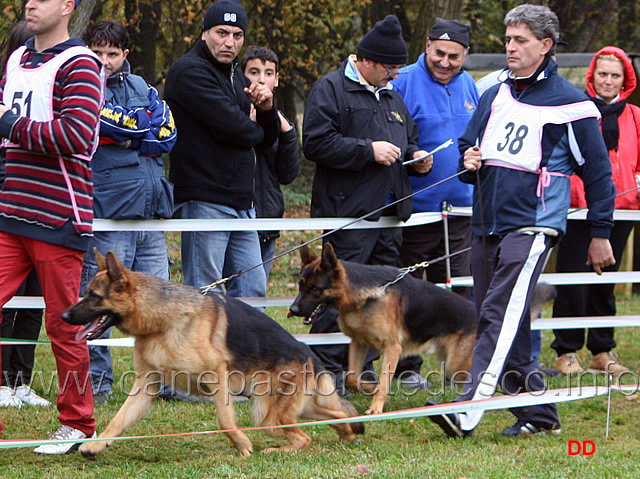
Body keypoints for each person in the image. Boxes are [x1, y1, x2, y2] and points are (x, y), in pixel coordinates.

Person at [427, 4, 616, 439]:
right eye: (508, 40)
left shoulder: (573, 103)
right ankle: (540, 414)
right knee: (506, 319)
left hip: (533, 224)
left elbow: (599, 173)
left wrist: (601, 232)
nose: (510, 48)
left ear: (545, 46)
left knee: (497, 312)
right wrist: (469, 158)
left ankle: (468, 409)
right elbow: (469, 146)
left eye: (520, 41)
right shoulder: (494, 94)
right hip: (485, 223)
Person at [302, 15, 433, 394]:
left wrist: (416, 156)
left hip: (391, 216)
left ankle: (363, 370)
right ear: (368, 60)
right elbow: (315, 143)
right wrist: (367, 151)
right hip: (350, 215)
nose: (395, 76)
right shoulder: (330, 88)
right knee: (336, 293)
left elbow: (408, 137)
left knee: (379, 300)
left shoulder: (392, 97)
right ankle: (322, 371)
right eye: (390, 68)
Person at [0, 0, 104, 454]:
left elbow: (76, 135)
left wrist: (10, 124)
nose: (30, 3)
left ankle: (79, 424)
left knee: (65, 325)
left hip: (59, 215)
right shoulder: (17, 58)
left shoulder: (81, 63)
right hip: (11, 209)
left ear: (68, 7)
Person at [82, 19, 176, 404]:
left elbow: (166, 133)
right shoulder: (82, 83)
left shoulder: (143, 87)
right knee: (100, 303)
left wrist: (131, 133)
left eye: (112, 54)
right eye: (98, 53)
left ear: (125, 55)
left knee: (160, 302)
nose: (104, 61)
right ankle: (97, 384)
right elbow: (116, 125)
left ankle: (166, 381)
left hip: (151, 211)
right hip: (110, 211)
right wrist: (133, 129)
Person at [165, 0, 279, 301]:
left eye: (238, 35)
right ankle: (201, 351)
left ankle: (245, 351)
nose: (230, 42)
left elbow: (265, 139)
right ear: (205, 33)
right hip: (204, 199)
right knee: (205, 298)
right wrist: (249, 125)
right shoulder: (188, 72)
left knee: (253, 292)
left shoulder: (238, 78)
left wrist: (266, 109)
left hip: (243, 203)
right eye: (221, 32)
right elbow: (237, 129)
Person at [551, 46, 640, 376]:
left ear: (625, 80)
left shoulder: (636, 117)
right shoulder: (577, 111)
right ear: (592, 76)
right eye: (603, 74)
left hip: (622, 209)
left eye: (615, 75)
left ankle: (602, 350)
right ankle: (567, 350)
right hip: (579, 208)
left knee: (606, 281)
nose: (608, 80)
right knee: (573, 277)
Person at [392, 18, 477, 297]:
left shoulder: (469, 84)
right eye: (439, 53)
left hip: (460, 214)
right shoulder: (401, 81)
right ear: (427, 45)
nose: (445, 62)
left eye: (454, 56)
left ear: (466, 53)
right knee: (408, 297)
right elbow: (389, 137)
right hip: (415, 214)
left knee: (458, 299)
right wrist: (412, 156)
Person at [0, 20, 50, 409]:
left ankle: (21, 381)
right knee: (7, 300)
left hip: (42, 209)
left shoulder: (50, 98)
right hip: (7, 208)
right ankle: (3, 381)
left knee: (35, 300)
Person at [239, 46, 299, 280]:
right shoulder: (232, 115)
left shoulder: (280, 123)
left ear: (277, 80)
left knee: (257, 294)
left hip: (269, 219)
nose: (261, 80)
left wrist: (286, 131)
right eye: (254, 72)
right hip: (241, 219)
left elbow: (288, 174)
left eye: (268, 73)